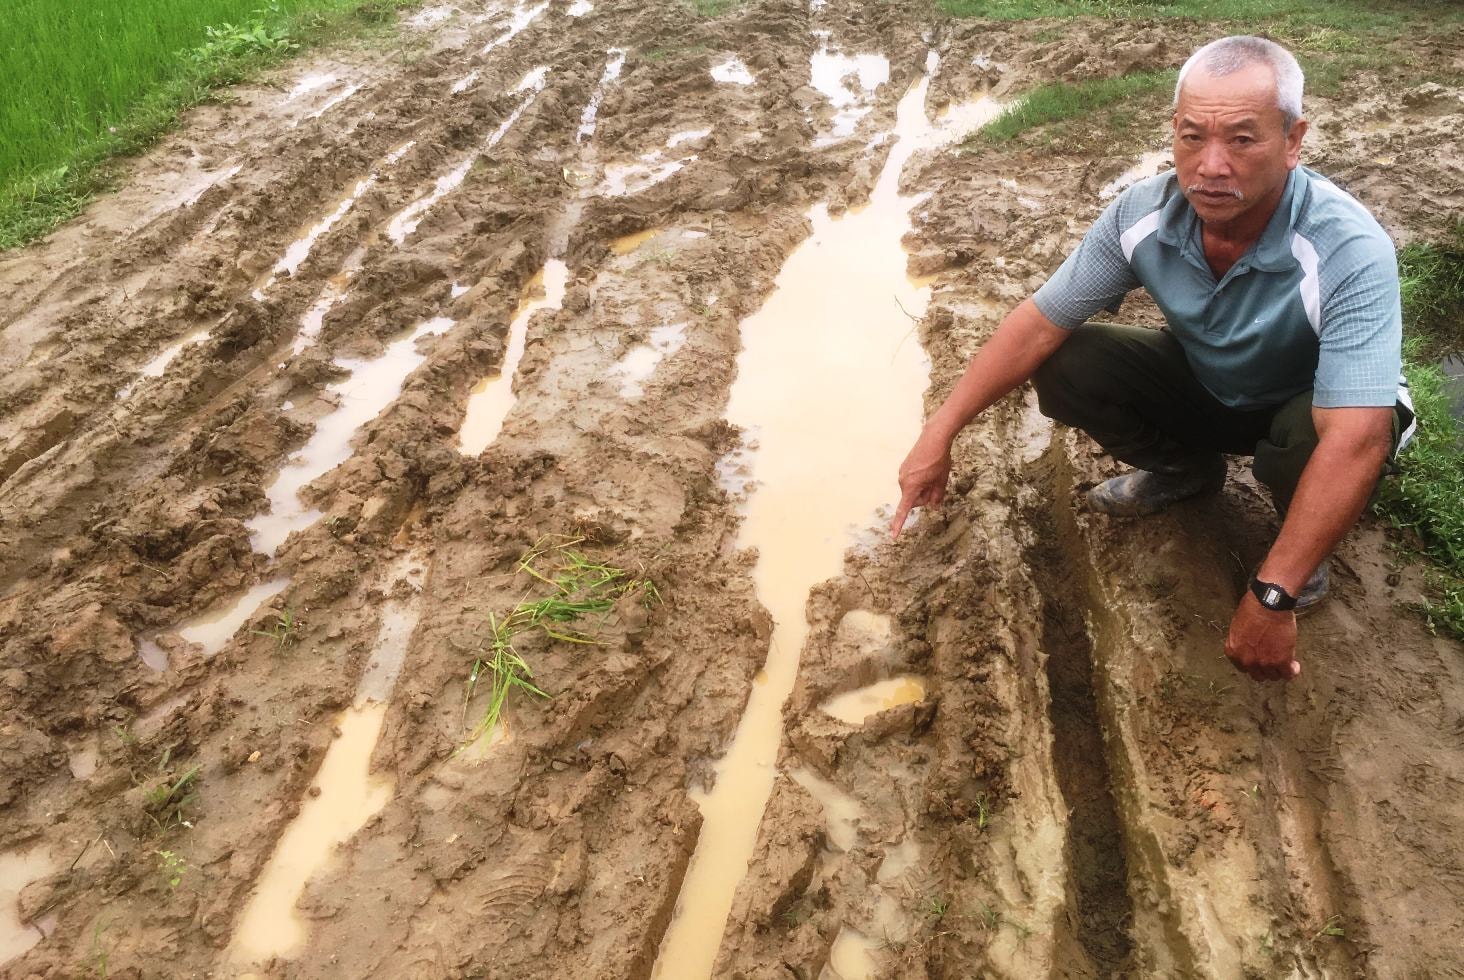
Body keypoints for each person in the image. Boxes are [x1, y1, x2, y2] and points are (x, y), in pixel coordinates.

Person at [890, 35, 1414, 683]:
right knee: (1067, 360)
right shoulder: (1140, 214)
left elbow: (1357, 436)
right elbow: (1033, 326)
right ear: (1174, 133)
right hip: (1211, 384)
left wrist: (1272, 594)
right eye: (1194, 137)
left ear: (1294, 139)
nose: (1212, 166)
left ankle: (1301, 547)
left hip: (1308, 410)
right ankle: (1185, 468)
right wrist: (937, 435)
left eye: (1243, 140)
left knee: (1314, 438)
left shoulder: (1347, 247)